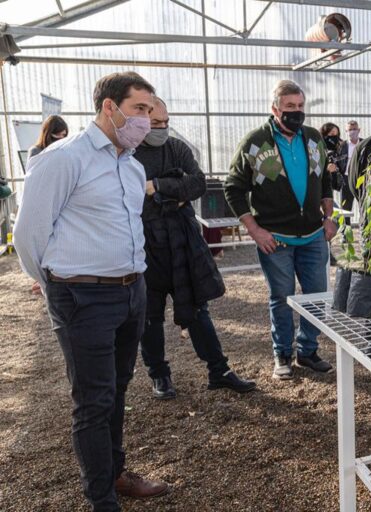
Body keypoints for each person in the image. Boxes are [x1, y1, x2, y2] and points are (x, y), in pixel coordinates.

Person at [13, 71, 169, 511]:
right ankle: (101, 499)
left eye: (149, 110)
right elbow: (28, 234)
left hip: (131, 290)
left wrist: (135, 280)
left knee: (117, 389)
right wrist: (56, 287)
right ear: (109, 107)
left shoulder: (131, 165)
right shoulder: (64, 158)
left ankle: (115, 473)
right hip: (82, 297)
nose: (147, 120)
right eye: (139, 109)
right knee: (93, 401)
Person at [134, 97, 255, 399]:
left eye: (166, 122)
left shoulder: (177, 148)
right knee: (149, 315)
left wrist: (157, 187)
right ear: (140, 118)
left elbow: (198, 184)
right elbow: (131, 195)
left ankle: (219, 370)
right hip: (145, 244)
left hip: (182, 240)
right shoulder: (128, 153)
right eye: (155, 123)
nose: (162, 128)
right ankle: (159, 375)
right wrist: (175, 190)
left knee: (198, 308)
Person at [225, 79, 337, 380]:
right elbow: (233, 188)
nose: (296, 112)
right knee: (281, 298)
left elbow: (324, 179)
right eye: (289, 106)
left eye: (300, 106)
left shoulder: (313, 138)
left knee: (317, 296)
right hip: (275, 238)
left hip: (313, 234)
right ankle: (283, 354)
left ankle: (308, 350)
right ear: (275, 109)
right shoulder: (256, 142)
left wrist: (328, 215)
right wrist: (254, 230)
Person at [337, 120, 361, 211]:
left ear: (359, 130)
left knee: (364, 206)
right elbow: (337, 162)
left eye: (354, 129)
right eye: (350, 130)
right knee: (345, 208)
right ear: (346, 131)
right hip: (346, 179)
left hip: (361, 179)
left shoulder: (365, 144)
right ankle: (346, 221)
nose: (352, 132)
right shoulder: (341, 146)